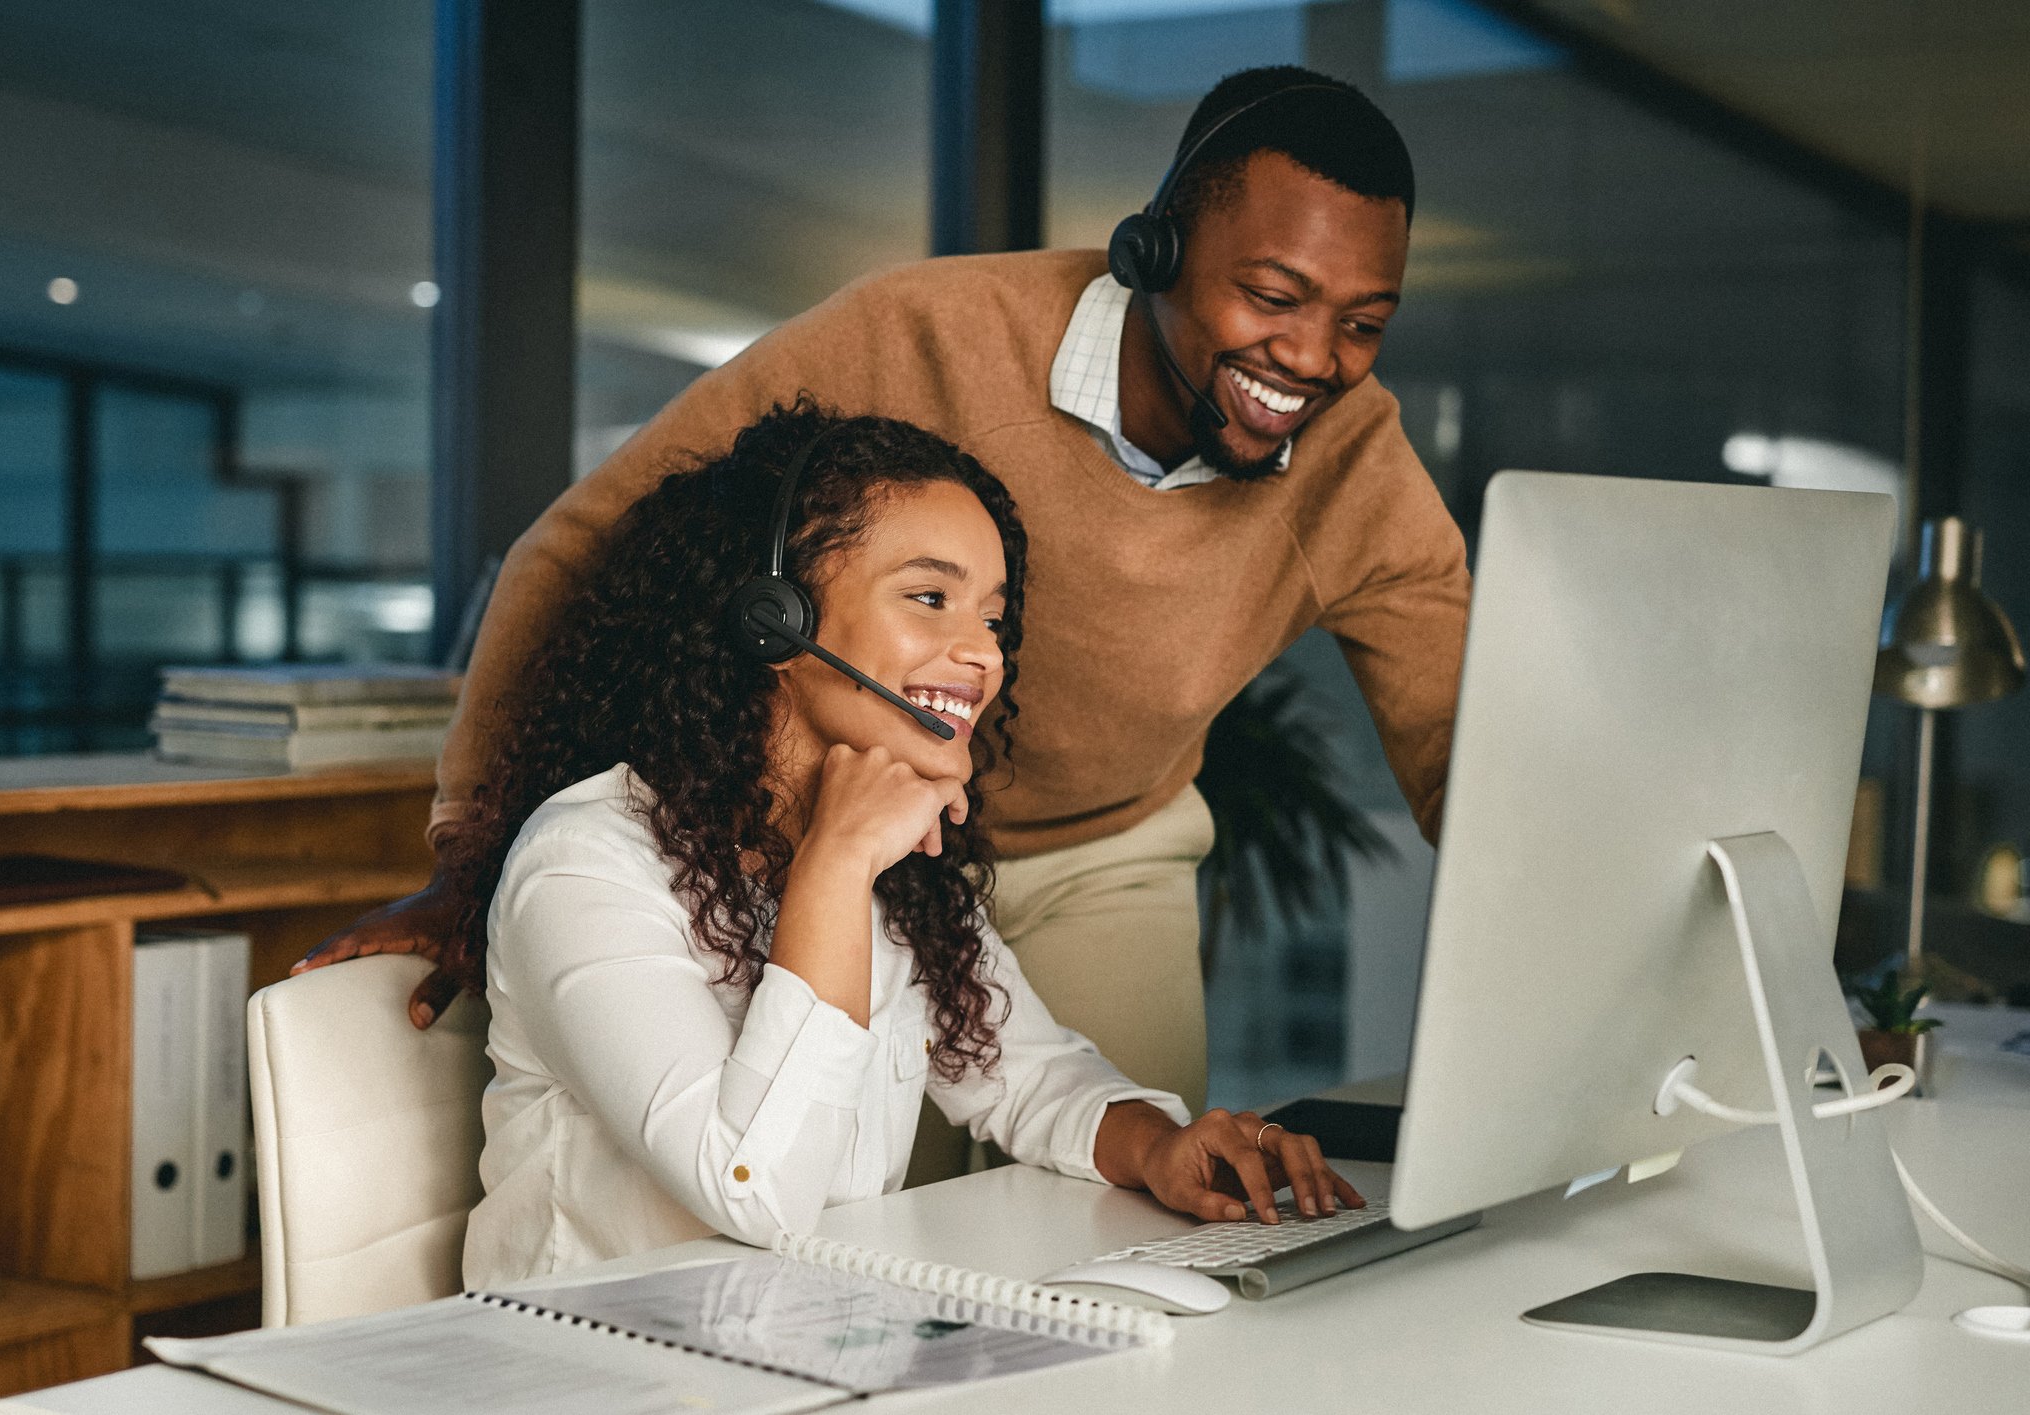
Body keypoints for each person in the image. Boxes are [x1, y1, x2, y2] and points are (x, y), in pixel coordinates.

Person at [304, 65, 1469, 1149]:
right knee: (851, 1220)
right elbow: (581, 546)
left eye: (1363, 323)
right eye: (1273, 295)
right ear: (1154, 247)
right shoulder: (918, 333)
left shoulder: (1354, 463)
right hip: (846, 842)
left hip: (1101, 851)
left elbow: (1464, 751)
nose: (1312, 357)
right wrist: (471, 851)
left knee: (1132, 1192)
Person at [455, 405, 1359, 1285]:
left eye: (992, 618)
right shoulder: (586, 863)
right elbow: (754, 1192)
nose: (983, 655)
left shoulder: (894, 856)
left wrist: (1158, 1145)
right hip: (600, 1370)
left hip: (798, 1340)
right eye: (930, 599)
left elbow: (1028, 1076)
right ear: (774, 619)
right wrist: (836, 868)